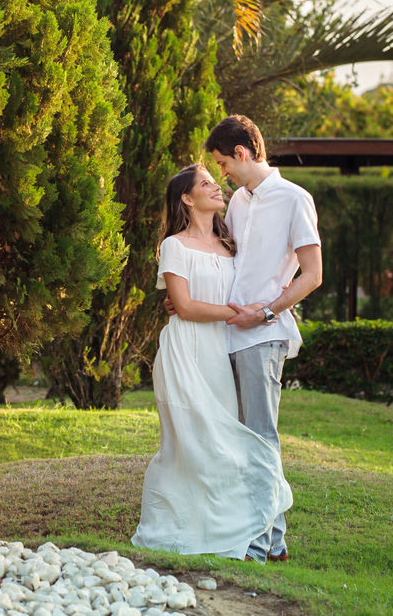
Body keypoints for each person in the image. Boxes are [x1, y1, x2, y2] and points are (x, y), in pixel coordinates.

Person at [131, 164, 293, 560]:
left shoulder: (230, 245)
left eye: (214, 179)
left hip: (221, 355)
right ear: (187, 198)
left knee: (223, 444)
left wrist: (280, 288)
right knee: (189, 445)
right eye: (206, 182)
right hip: (186, 352)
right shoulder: (174, 245)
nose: (216, 185)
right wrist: (238, 313)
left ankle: (234, 531)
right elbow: (183, 306)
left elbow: (260, 271)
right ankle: (175, 528)